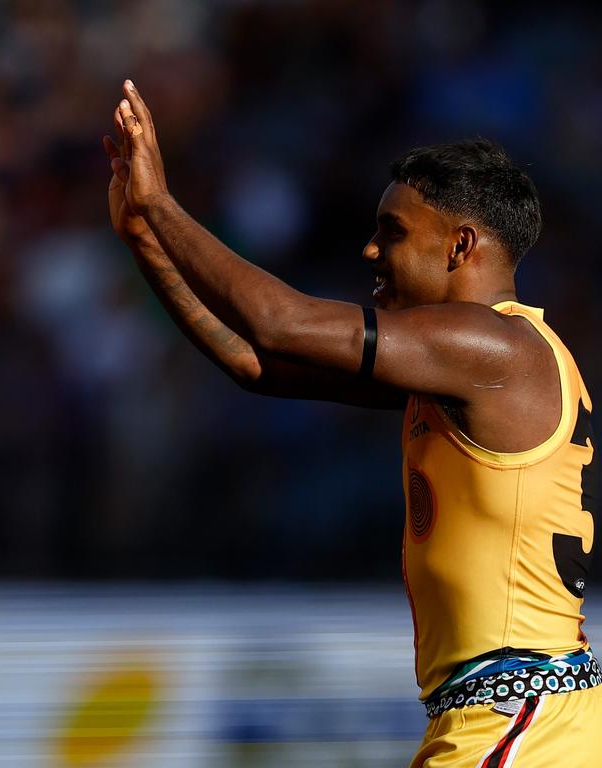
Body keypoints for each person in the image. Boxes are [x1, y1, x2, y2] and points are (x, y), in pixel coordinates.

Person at [106, 81, 600, 766]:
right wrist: (145, 239)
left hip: (520, 723)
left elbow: (282, 323)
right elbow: (257, 364)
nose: (370, 251)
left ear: (461, 245)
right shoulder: (479, 365)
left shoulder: (493, 349)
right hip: (515, 715)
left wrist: (162, 205)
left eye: (392, 231)